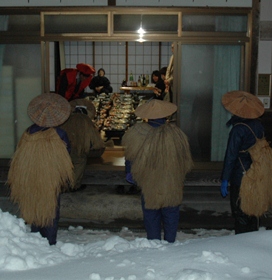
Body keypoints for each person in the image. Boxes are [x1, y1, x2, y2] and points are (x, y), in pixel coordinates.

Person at [121, 99, 193, 243]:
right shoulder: (176, 134)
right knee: (171, 210)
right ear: (166, 115)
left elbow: (130, 157)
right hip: (171, 179)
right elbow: (185, 159)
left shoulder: (137, 132)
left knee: (151, 211)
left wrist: (130, 173)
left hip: (148, 180)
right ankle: (170, 242)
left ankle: (153, 242)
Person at [7, 93, 74, 245]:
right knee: (49, 209)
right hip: (49, 178)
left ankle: (36, 240)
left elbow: (19, 154)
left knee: (34, 205)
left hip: (28, 175)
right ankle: (49, 242)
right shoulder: (58, 134)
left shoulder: (28, 132)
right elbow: (66, 154)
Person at [220, 90, 271, 234]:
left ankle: (242, 243)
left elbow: (231, 156)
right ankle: (253, 238)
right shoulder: (258, 125)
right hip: (256, 171)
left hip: (240, 175)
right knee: (253, 208)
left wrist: (225, 179)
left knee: (240, 211)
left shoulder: (238, 129)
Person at [60, 99, 106, 192]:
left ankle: (63, 183)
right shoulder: (86, 121)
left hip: (65, 149)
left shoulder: (66, 121)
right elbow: (96, 143)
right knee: (79, 163)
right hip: (78, 151)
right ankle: (73, 186)